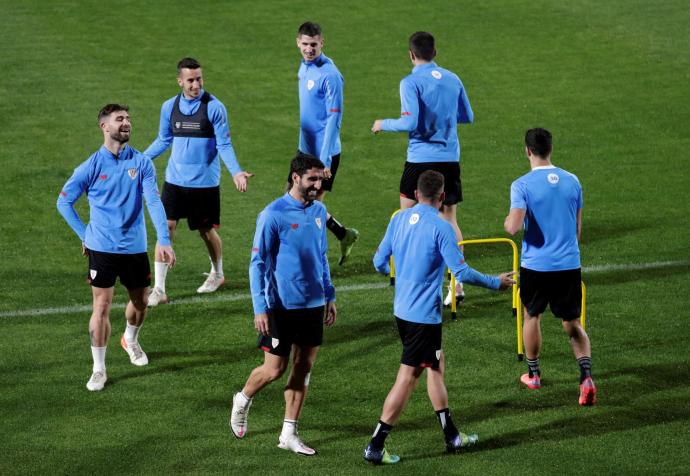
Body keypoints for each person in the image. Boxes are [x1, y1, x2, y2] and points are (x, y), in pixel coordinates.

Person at [364, 170, 514, 464]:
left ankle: (451, 435)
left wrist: (398, 274)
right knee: (407, 378)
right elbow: (462, 273)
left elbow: (379, 261)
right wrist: (496, 282)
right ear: (442, 197)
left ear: (417, 194)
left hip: (402, 312)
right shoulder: (442, 227)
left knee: (436, 362)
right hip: (424, 317)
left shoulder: (398, 219)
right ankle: (375, 445)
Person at [57, 104, 176, 391]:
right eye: (119, 119)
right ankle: (99, 369)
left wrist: (164, 238)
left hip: (134, 248)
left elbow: (153, 201)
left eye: (128, 119)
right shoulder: (91, 166)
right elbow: (64, 202)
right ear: (104, 126)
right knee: (101, 306)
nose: (126, 123)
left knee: (140, 302)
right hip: (102, 249)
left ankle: (130, 339)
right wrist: (85, 235)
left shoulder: (143, 163)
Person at [230, 153, 337, 456]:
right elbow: (257, 263)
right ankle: (242, 399)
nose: (318, 184)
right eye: (312, 179)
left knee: (303, 369)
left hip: (313, 303)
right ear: (295, 178)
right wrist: (259, 307)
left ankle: (288, 432)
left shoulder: (319, 211)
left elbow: (322, 256)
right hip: (280, 306)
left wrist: (329, 294)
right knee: (274, 370)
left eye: (320, 179)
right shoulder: (272, 214)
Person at [372, 31, 473, 306]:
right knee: (450, 220)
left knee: (408, 219)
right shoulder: (453, 79)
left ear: (411, 55)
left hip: (420, 161)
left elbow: (409, 122)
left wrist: (383, 124)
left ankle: (413, 281)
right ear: (435, 53)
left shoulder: (410, 82)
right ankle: (458, 283)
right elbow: (467, 116)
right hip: (450, 159)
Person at [144, 57, 253, 306]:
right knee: (167, 227)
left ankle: (217, 273)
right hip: (174, 181)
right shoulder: (168, 107)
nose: (196, 84)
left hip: (204, 184)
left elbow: (224, 143)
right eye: (190, 80)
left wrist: (236, 172)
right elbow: (163, 139)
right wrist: (140, 159)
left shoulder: (214, 107)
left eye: (199, 79)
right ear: (180, 81)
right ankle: (159, 289)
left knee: (206, 231)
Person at [504, 128, 596, 406]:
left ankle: (533, 374)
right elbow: (578, 230)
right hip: (569, 263)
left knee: (532, 316)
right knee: (573, 322)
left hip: (537, 266)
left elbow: (514, 226)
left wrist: (508, 222)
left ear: (527, 151)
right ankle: (586, 376)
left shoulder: (522, 185)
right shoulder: (573, 181)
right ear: (550, 150)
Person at [295, 21, 359, 265]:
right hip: (304, 149)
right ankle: (343, 234)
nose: (309, 49)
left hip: (324, 153)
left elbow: (335, 119)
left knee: (309, 207)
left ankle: (313, 258)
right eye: (305, 44)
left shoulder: (330, 75)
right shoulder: (304, 66)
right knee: (298, 201)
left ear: (322, 43)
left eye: (314, 44)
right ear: (298, 43)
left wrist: (324, 160)